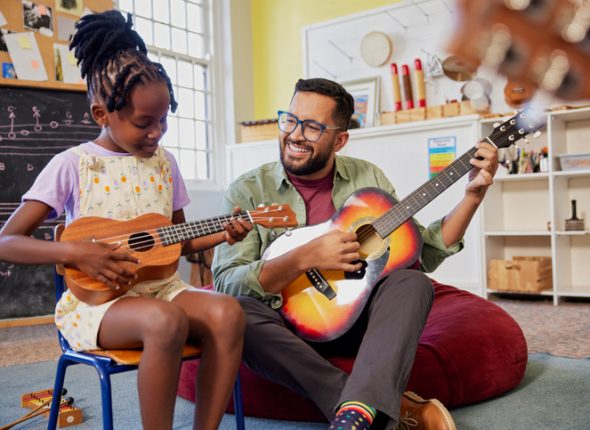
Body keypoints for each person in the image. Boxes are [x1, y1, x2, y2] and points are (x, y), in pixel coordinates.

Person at [0, 11, 251, 430]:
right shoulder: (72, 165)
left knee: (229, 312)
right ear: (102, 113)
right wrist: (74, 251)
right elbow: (8, 241)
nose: (157, 133)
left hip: (162, 289)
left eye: (164, 119)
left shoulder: (165, 163)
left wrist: (223, 233)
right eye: (143, 123)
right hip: (100, 306)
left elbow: (177, 241)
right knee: (164, 320)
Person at [212, 78, 499, 430]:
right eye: (290, 120)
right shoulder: (247, 190)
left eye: (313, 127)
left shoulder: (367, 178)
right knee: (234, 313)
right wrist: (304, 257)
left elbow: (423, 250)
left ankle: (357, 414)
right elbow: (227, 284)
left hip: (354, 316)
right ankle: (367, 411)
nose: (295, 135)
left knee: (412, 282)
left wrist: (472, 197)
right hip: (283, 326)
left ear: (340, 139)